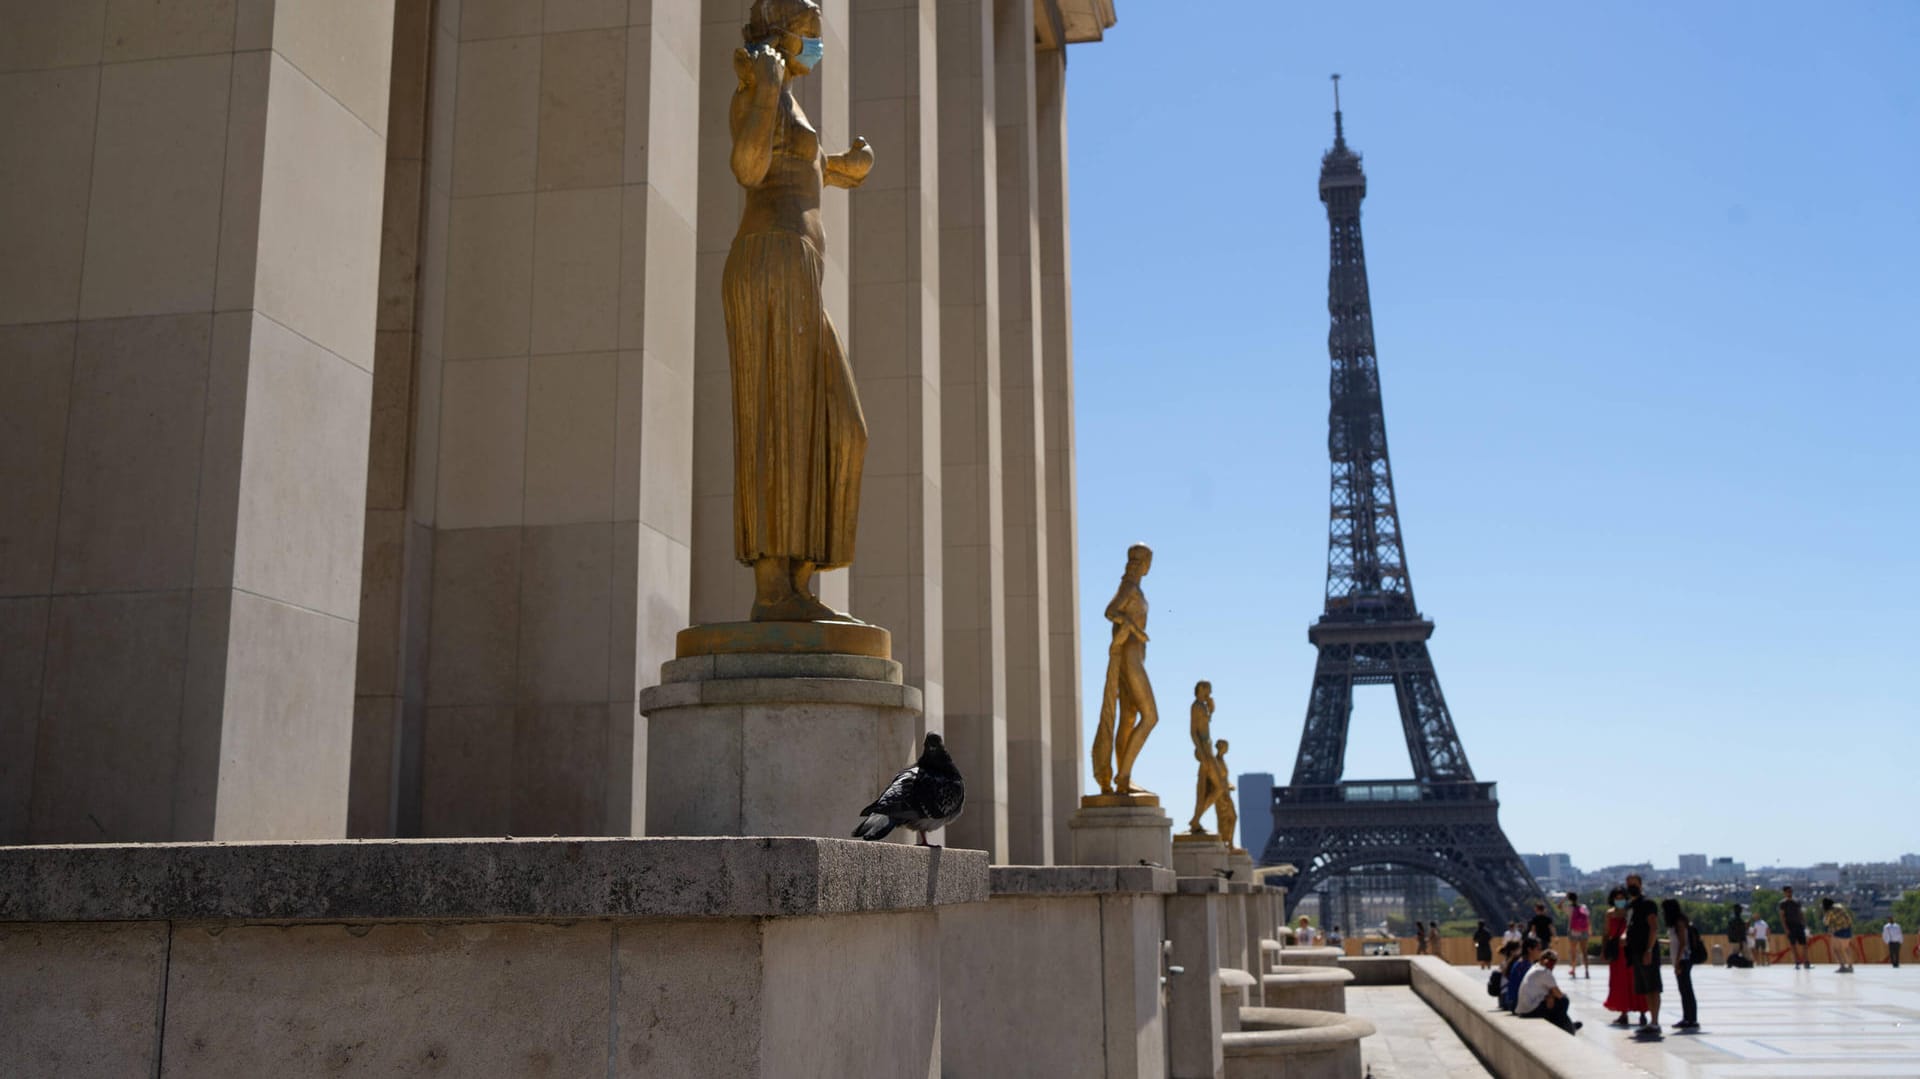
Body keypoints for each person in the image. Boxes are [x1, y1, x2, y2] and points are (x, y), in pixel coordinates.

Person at [723, 0, 875, 623]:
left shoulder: (790, 96)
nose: (816, 46)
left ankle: (802, 581)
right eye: (810, 34)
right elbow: (749, 165)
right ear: (780, 33)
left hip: (800, 269)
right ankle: (773, 588)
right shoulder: (760, 85)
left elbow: (800, 163)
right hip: (771, 260)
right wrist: (764, 92)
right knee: (780, 419)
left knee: (842, 429)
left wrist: (843, 167)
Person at [1603, 886, 1648, 1027]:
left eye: (1622, 897)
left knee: (1635, 980)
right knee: (1619, 982)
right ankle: (1623, 1012)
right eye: (1617, 898)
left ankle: (1642, 1011)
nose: (1619, 900)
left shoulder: (1630, 912)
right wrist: (1604, 950)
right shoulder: (1609, 914)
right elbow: (1606, 933)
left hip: (1630, 950)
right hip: (1617, 953)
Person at [1626, 874, 1663, 1034]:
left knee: (1653, 987)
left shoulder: (1647, 904)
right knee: (1646, 989)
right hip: (1636, 951)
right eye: (1628, 884)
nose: (1630, 887)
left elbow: (1653, 927)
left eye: (1633, 884)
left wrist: (1649, 950)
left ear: (1640, 885)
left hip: (1646, 951)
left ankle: (1655, 1022)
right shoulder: (1631, 905)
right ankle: (1652, 1021)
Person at [1516, 949, 1583, 1034]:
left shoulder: (1535, 967)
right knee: (1564, 1001)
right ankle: (1564, 1026)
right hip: (1530, 1011)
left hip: (1524, 1009)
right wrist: (1552, 996)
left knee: (1556, 1003)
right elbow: (1559, 995)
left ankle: (1567, 1025)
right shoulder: (1544, 972)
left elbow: (1550, 990)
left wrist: (1550, 996)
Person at [1662, 899, 1699, 1030]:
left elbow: (1683, 943)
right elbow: (1675, 942)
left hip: (1683, 960)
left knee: (1686, 990)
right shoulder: (1675, 923)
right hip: (1680, 960)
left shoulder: (1679, 922)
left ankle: (1691, 1018)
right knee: (1684, 990)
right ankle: (1688, 1017)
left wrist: (1677, 962)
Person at [1502, 937, 1544, 1012]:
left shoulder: (1522, 962)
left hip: (1512, 1002)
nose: (1541, 952)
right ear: (1529, 950)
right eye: (1538, 949)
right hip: (1516, 1003)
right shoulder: (1525, 966)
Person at [1779, 885, 1810, 969]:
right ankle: (1797, 961)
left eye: (1791, 891)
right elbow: (1782, 917)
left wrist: (1805, 925)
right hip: (1790, 926)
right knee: (1793, 945)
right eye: (1788, 891)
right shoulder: (1783, 903)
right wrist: (1786, 929)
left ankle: (1806, 961)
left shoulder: (1797, 902)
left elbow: (1801, 913)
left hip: (1799, 925)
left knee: (1804, 944)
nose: (1790, 893)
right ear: (1785, 893)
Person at [1562, 892, 1592, 979]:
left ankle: (1573, 970)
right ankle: (1586, 971)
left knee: (1573, 952)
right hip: (1583, 931)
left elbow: (1559, 906)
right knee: (1584, 952)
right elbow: (1587, 918)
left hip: (1573, 931)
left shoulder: (1569, 908)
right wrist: (1589, 929)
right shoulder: (1583, 907)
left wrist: (1565, 898)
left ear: (1569, 899)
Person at [1822, 897, 1855, 973]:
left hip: (1838, 931)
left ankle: (1842, 966)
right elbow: (1848, 918)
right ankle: (1850, 966)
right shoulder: (1839, 907)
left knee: (1836, 949)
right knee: (1846, 948)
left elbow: (1826, 922)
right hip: (1848, 929)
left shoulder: (1829, 912)